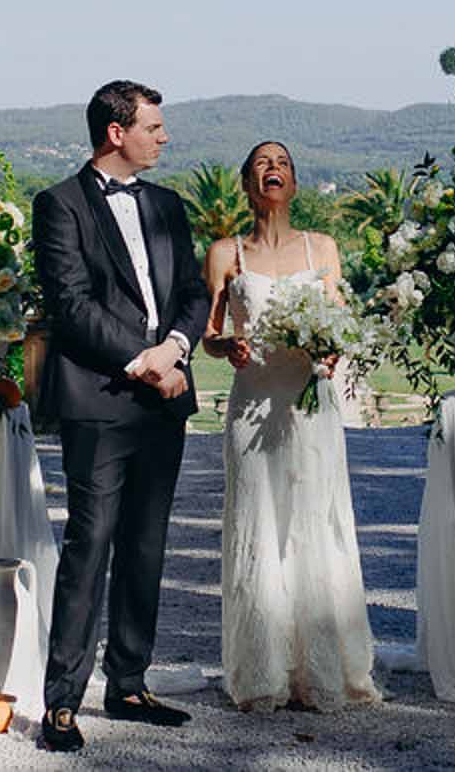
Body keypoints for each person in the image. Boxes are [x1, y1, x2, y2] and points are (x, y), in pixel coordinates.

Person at [32, 81, 212, 753]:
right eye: (154, 127)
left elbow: (194, 293)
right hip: (101, 401)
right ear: (117, 132)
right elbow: (72, 306)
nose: (163, 137)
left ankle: (129, 683)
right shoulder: (60, 204)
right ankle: (61, 702)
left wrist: (175, 350)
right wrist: (143, 360)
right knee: (90, 545)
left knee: (146, 545)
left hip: (165, 400)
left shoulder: (167, 204)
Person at [201, 141, 385, 713]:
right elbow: (209, 332)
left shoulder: (322, 247)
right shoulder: (226, 252)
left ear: (295, 184)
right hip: (254, 402)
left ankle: (324, 670)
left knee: (316, 523)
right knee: (258, 521)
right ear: (248, 186)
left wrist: (332, 354)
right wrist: (226, 345)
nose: (271, 169)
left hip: (311, 403)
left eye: (281, 163)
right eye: (260, 164)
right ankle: (262, 673)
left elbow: (340, 322)